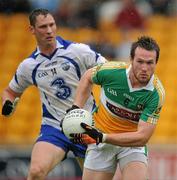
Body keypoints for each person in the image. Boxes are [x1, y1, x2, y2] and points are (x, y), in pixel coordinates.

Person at [1, 8, 107, 180]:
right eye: (43, 27)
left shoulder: (78, 51)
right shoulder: (28, 66)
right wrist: (8, 102)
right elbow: (10, 92)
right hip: (54, 127)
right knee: (35, 171)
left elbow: (109, 71)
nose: (49, 30)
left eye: (52, 25)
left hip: (87, 125)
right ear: (32, 30)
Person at [69, 36, 165, 180]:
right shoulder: (112, 71)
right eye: (140, 62)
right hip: (99, 137)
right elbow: (88, 77)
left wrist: (104, 137)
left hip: (130, 143)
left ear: (156, 63)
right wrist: (76, 108)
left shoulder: (156, 94)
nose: (145, 68)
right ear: (131, 60)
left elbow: (142, 137)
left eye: (150, 63)